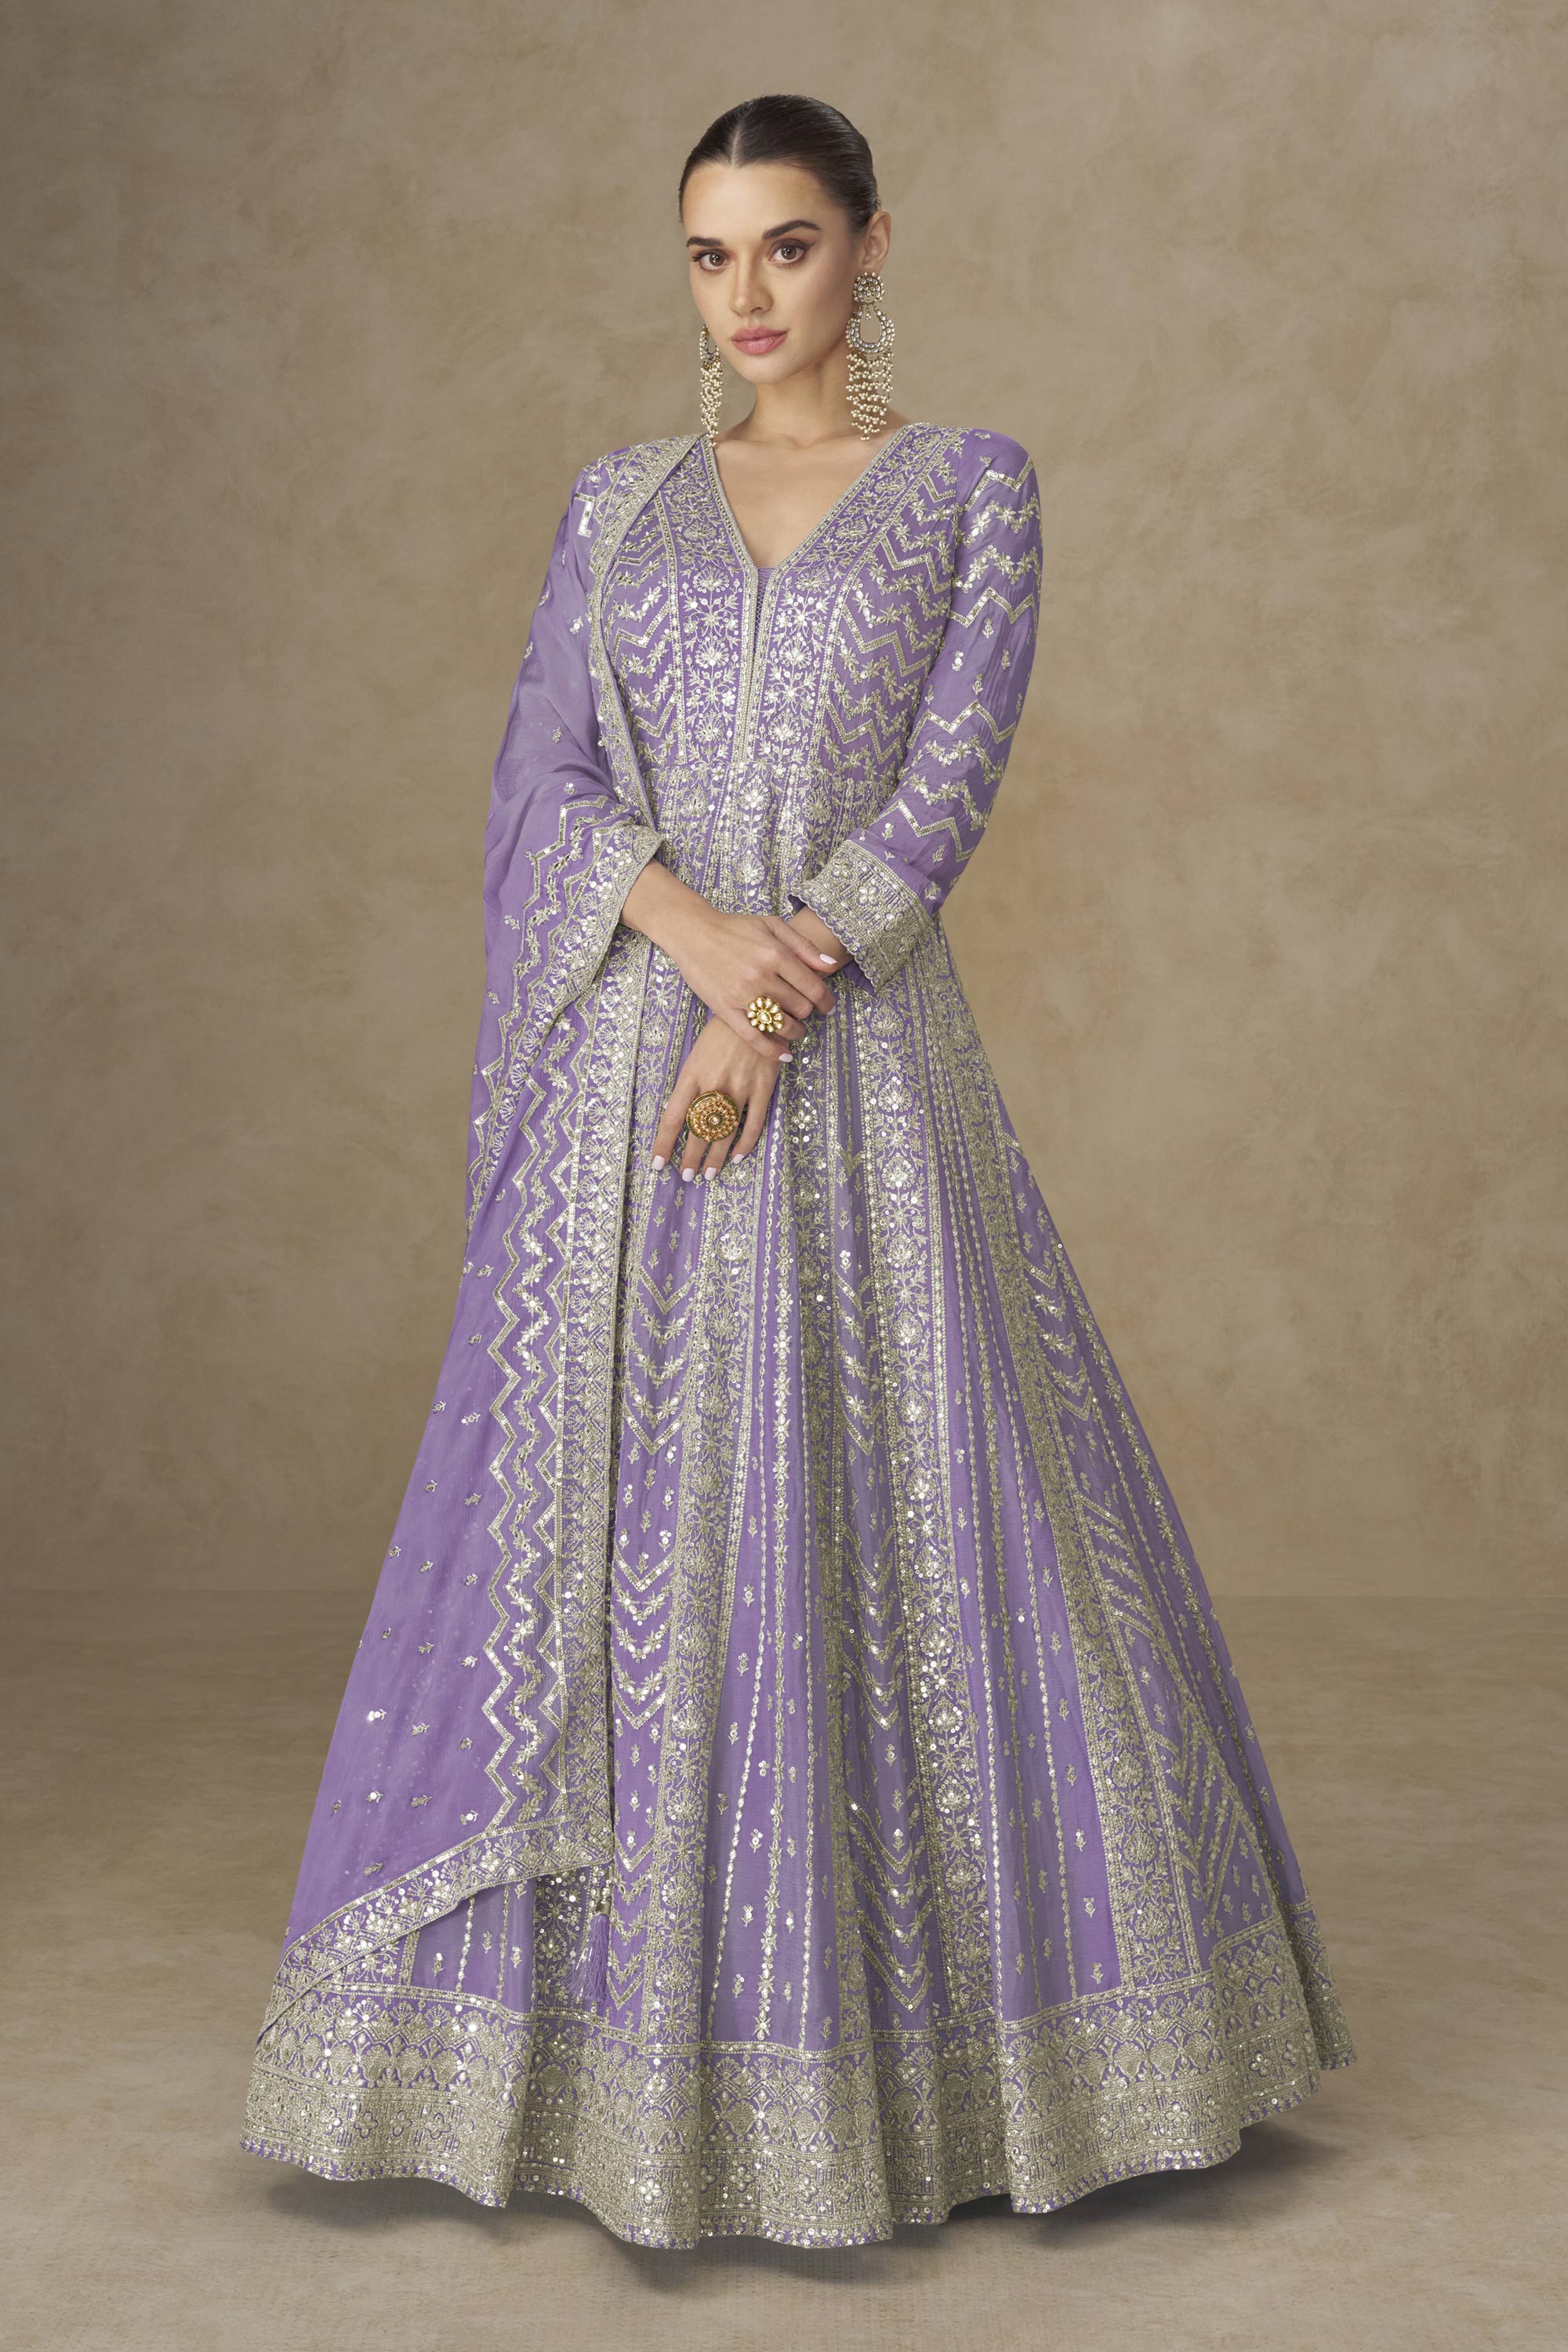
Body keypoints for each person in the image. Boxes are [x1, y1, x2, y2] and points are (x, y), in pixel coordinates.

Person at [241, 92, 1355, 2250]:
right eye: (708, 255)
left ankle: (949, 2066)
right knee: (629, 1540)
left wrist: (769, 1007)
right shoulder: (619, 506)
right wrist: (688, 944)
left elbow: (949, 784)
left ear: (869, 246)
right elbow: (545, 776)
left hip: (859, 1080)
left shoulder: (968, 489)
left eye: (787, 246)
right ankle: (591, 2072)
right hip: (630, 1096)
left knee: (912, 1515)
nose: (746, 296)